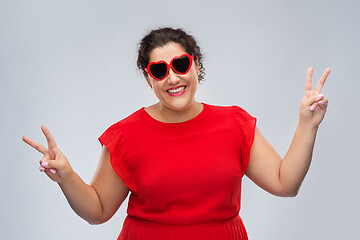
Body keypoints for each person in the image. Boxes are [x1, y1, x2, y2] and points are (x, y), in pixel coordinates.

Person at [22, 27, 331, 240]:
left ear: (196, 65)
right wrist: (66, 176)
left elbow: (285, 183)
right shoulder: (126, 135)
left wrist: (307, 124)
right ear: (149, 79)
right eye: (159, 70)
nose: (172, 78)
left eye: (180, 64)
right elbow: (98, 210)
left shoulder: (234, 123)